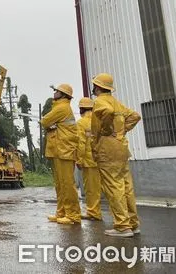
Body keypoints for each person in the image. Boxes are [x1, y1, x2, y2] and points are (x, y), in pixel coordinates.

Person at [90, 72, 141, 238]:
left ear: (97, 87)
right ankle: (133, 224)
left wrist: (106, 130)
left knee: (114, 187)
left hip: (108, 150)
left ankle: (122, 226)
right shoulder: (117, 103)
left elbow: (108, 112)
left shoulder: (100, 101)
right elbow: (135, 116)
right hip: (121, 148)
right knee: (126, 187)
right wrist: (122, 131)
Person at [41, 84, 81, 225]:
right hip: (59, 150)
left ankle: (73, 215)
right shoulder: (59, 107)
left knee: (67, 184)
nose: (54, 92)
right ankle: (62, 212)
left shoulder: (62, 108)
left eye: (57, 91)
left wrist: (50, 125)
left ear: (63, 94)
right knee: (60, 184)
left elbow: (44, 121)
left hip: (65, 150)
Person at [76, 97, 102, 221]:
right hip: (103, 158)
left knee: (91, 189)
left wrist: (79, 160)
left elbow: (81, 143)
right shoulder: (100, 120)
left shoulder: (81, 123)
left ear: (81, 109)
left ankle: (94, 212)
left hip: (89, 160)